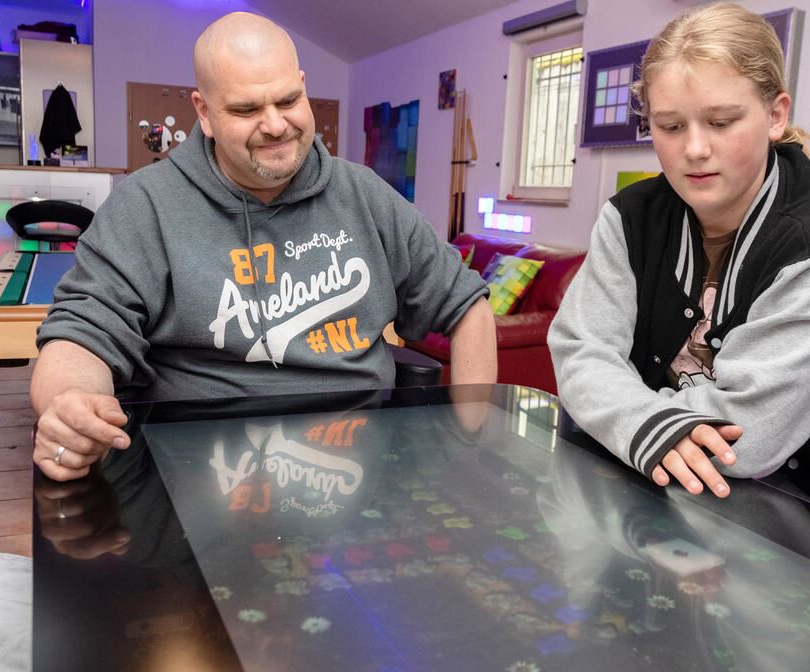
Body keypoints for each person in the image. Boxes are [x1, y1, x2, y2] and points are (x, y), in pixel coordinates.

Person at [31, 12, 496, 483]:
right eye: (246, 110)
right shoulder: (145, 206)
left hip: (360, 465)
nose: (275, 125)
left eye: (289, 100)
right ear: (204, 113)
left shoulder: (367, 197)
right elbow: (82, 333)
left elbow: (466, 306)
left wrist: (467, 445)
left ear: (302, 86)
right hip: (197, 467)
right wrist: (71, 403)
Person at [549, 3, 810, 535]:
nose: (694, 149)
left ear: (776, 115)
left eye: (721, 122)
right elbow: (583, 350)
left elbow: (751, 432)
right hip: (664, 477)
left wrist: (623, 411)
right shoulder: (630, 216)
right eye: (670, 126)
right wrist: (647, 423)